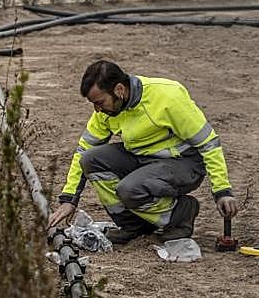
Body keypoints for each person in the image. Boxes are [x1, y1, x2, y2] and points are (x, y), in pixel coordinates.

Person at [47, 60, 238, 245]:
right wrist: (69, 199)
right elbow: (84, 150)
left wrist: (222, 191)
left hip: (184, 163)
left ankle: (180, 214)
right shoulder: (106, 111)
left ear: (119, 90)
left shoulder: (167, 96)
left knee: (129, 189)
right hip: (143, 159)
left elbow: (208, 143)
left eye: (100, 102)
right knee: (90, 160)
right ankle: (133, 226)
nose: (97, 109)